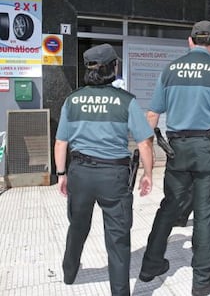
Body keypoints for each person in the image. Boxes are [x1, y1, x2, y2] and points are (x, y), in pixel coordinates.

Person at [139, 20, 210, 296]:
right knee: (205, 214)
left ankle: (150, 265)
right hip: (209, 152)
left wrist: (147, 159)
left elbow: (151, 116)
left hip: (177, 150)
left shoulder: (170, 70)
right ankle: (202, 280)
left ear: (190, 41)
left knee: (169, 207)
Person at [54, 43, 154, 296]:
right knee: (118, 239)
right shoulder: (126, 101)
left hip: (80, 174)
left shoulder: (72, 100)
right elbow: (144, 142)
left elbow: (61, 142)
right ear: (113, 67)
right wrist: (148, 173)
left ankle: (69, 273)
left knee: (77, 226)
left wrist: (61, 174)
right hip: (114, 177)